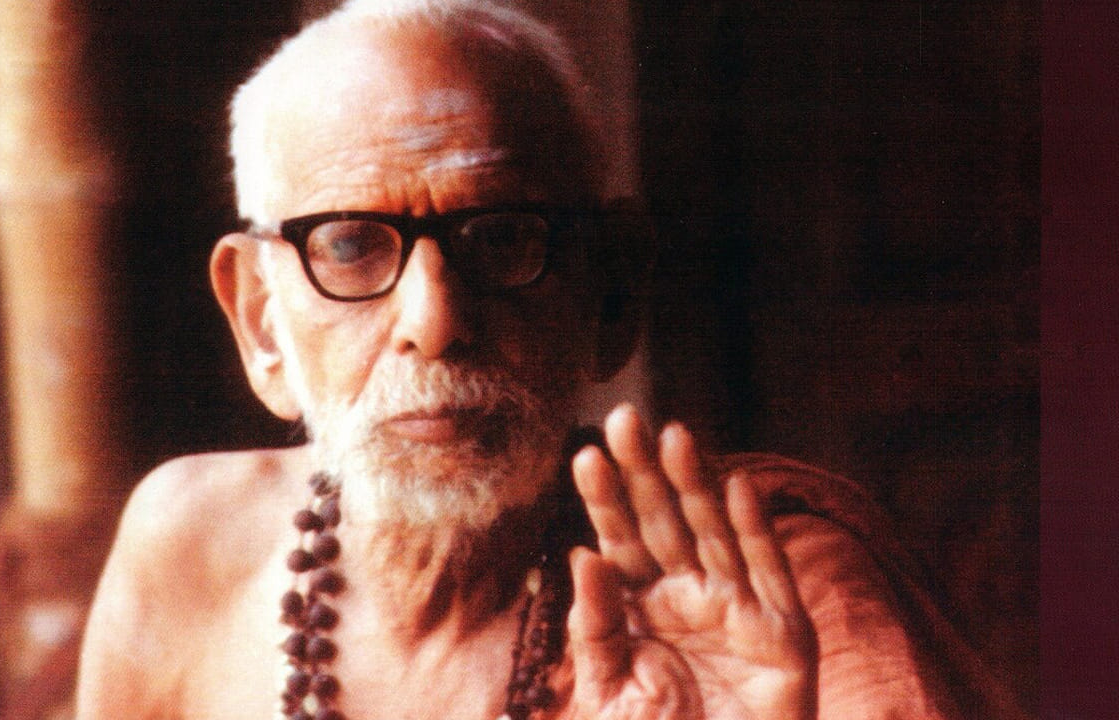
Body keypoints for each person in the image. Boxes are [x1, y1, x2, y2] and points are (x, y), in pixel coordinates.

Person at [77, 2, 1027, 719]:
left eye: (501, 239)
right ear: (260, 320)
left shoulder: (776, 595)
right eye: (352, 247)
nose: (434, 321)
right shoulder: (188, 543)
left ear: (611, 291)